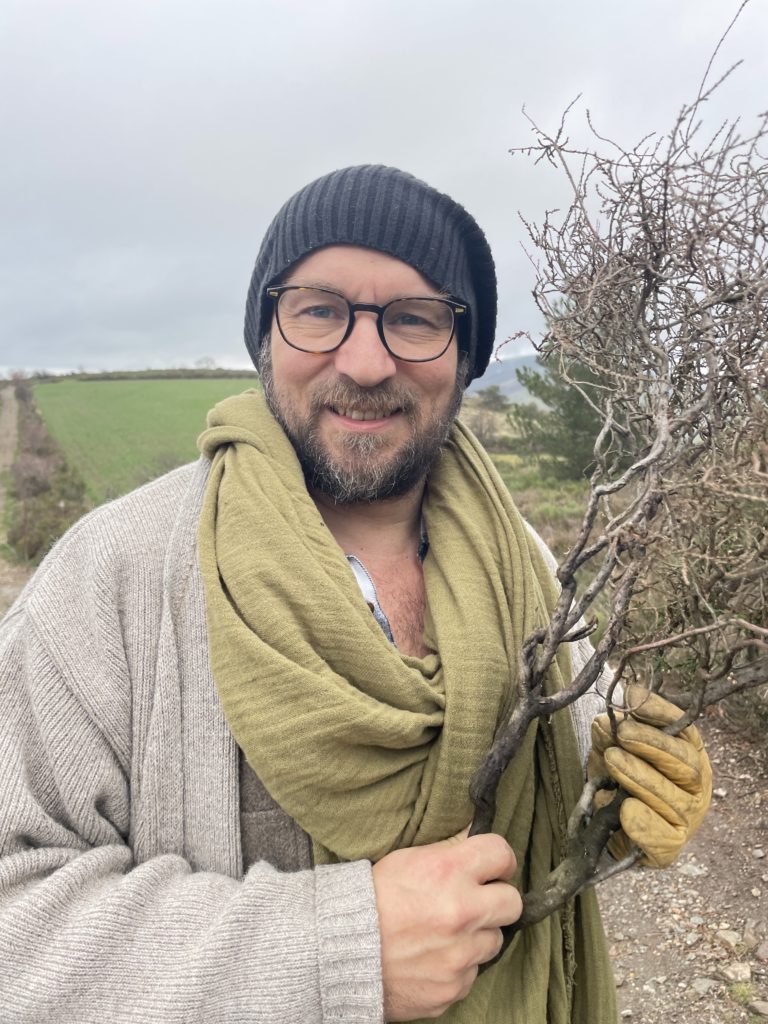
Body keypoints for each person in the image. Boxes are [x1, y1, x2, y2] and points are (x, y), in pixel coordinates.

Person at [0, 165, 711, 1023]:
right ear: (268, 335)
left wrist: (621, 793)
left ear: (465, 354)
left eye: (413, 319)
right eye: (319, 310)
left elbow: (558, 760)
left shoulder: (519, 558)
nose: (365, 361)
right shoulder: (115, 576)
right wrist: (336, 951)